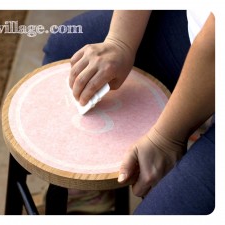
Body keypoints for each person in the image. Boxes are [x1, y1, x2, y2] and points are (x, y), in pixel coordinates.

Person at [42, 10, 215, 214]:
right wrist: (119, 42)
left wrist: (167, 136)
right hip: (195, 26)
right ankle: (93, 193)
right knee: (65, 50)